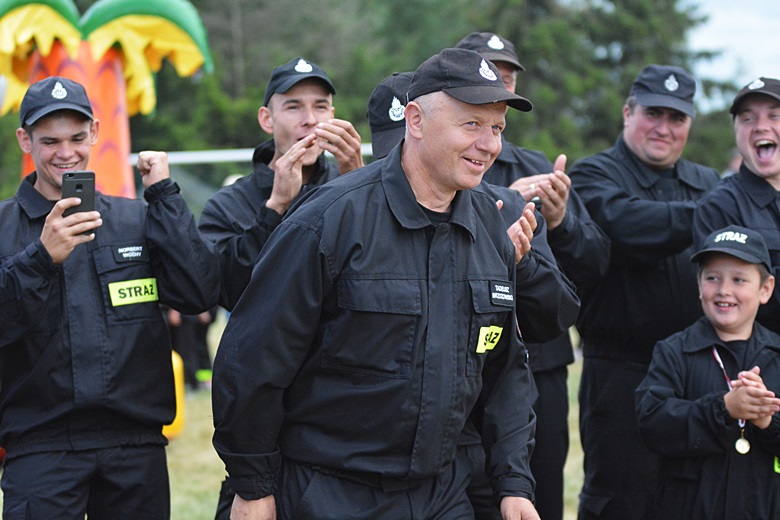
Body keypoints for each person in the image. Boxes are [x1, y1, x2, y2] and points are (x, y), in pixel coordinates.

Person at [212, 48, 543, 520]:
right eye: (471, 125)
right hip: (329, 492)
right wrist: (252, 486)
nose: (489, 145)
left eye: (497, 129)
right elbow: (252, 358)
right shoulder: (330, 220)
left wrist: (513, 483)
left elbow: (507, 370)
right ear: (415, 120)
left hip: (441, 495)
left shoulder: (491, 229)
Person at [367, 67, 583, 520]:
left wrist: (520, 264)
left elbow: (552, 319)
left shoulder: (499, 209)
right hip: (370, 470)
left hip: (477, 451)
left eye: (495, 129)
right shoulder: (350, 216)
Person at [0, 76, 219, 518]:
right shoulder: (4, 227)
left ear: (96, 132)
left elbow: (197, 293)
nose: (66, 153)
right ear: (25, 140)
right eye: (50, 141)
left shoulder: (136, 218)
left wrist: (164, 195)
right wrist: (41, 258)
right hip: (40, 448)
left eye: (78, 138)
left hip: (134, 447)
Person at [456, 31, 611, 520]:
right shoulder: (446, 162)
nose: (500, 81)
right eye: (489, 71)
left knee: (537, 494)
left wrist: (561, 220)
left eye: (508, 75)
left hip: (539, 362)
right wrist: (498, 197)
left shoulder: (540, 167)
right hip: (462, 360)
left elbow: (594, 262)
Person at [568, 64, 721, 520]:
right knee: (621, 500)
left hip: (700, 376)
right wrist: (714, 214)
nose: (664, 128)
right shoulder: (594, 175)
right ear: (627, 113)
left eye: (677, 119)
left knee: (698, 499)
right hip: (622, 374)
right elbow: (627, 226)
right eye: (654, 113)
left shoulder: (707, 181)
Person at [636, 225, 780, 519]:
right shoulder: (673, 351)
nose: (724, 290)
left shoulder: (777, 354)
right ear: (699, 284)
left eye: (739, 279)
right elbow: (653, 423)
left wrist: (769, 422)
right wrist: (724, 408)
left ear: (765, 289)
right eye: (712, 278)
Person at [198, 56, 364, 311]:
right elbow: (226, 292)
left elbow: (381, 271)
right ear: (267, 119)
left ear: (332, 116)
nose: (310, 119)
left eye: (320, 107)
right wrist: (275, 208)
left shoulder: (349, 183)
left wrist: (359, 184)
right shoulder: (228, 204)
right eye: (293, 107)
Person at [694, 77, 780, 335]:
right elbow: (732, 304)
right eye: (747, 119)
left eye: (774, 116)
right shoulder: (719, 207)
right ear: (736, 131)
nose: (760, 127)